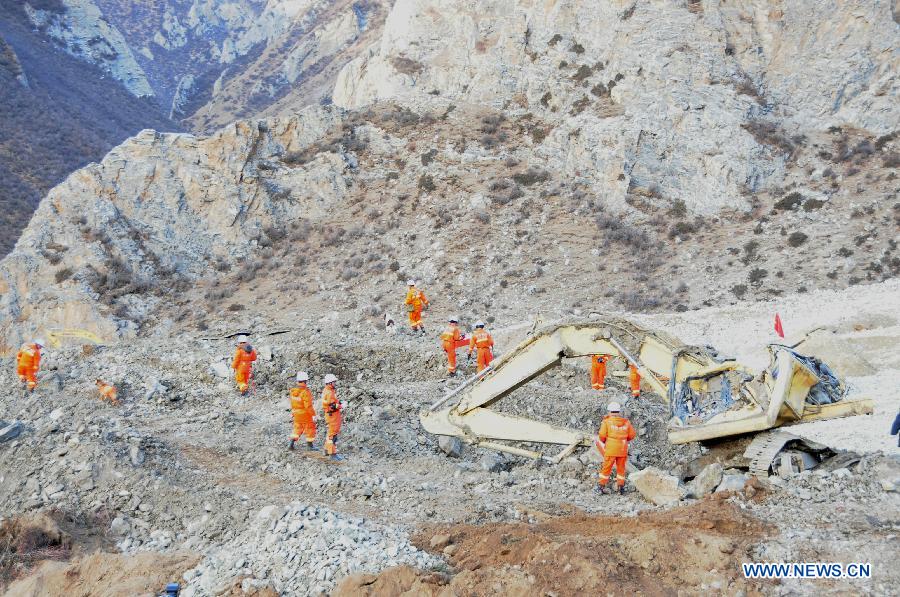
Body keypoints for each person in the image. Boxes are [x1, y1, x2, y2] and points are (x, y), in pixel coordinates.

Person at [595, 402, 637, 495]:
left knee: (606, 468)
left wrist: (605, 441)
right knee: (621, 469)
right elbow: (632, 435)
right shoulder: (626, 422)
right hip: (622, 449)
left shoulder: (606, 422)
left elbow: (602, 435)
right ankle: (620, 488)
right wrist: (624, 439)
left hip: (611, 449)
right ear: (619, 411)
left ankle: (600, 487)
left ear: (609, 411)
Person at [289, 372, 317, 451]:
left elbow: (292, 403)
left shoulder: (293, 391)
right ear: (305, 381)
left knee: (297, 428)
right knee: (310, 428)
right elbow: (308, 406)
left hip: (296, 414)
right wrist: (313, 415)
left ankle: (291, 443)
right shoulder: (306, 392)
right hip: (305, 414)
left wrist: (292, 413)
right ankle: (310, 445)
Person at [321, 374, 345, 459]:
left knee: (330, 434)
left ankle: (326, 450)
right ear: (330, 382)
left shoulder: (326, 390)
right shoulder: (329, 392)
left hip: (331, 415)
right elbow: (332, 406)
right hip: (333, 416)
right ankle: (332, 454)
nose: (335, 383)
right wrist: (341, 406)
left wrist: (339, 403)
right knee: (333, 435)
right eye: (334, 382)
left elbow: (330, 403)